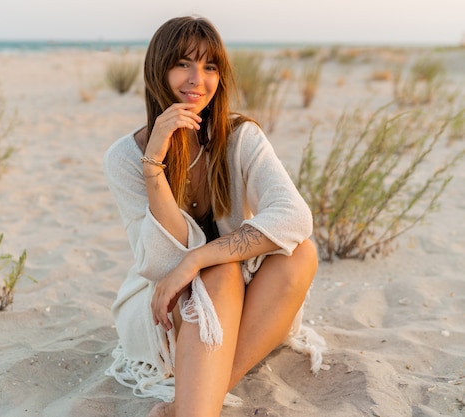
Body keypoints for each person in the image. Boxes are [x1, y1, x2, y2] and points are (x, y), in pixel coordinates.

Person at [103, 16, 326, 417]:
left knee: (301, 254)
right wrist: (153, 164)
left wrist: (199, 256)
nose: (196, 80)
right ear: (158, 69)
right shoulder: (124, 157)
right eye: (183, 64)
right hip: (165, 304)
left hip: (238, 294)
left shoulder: (241, 137)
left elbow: (295, 216)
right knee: (220, 273)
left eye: (209, 67)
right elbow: (165, 262)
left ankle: (189, 403)